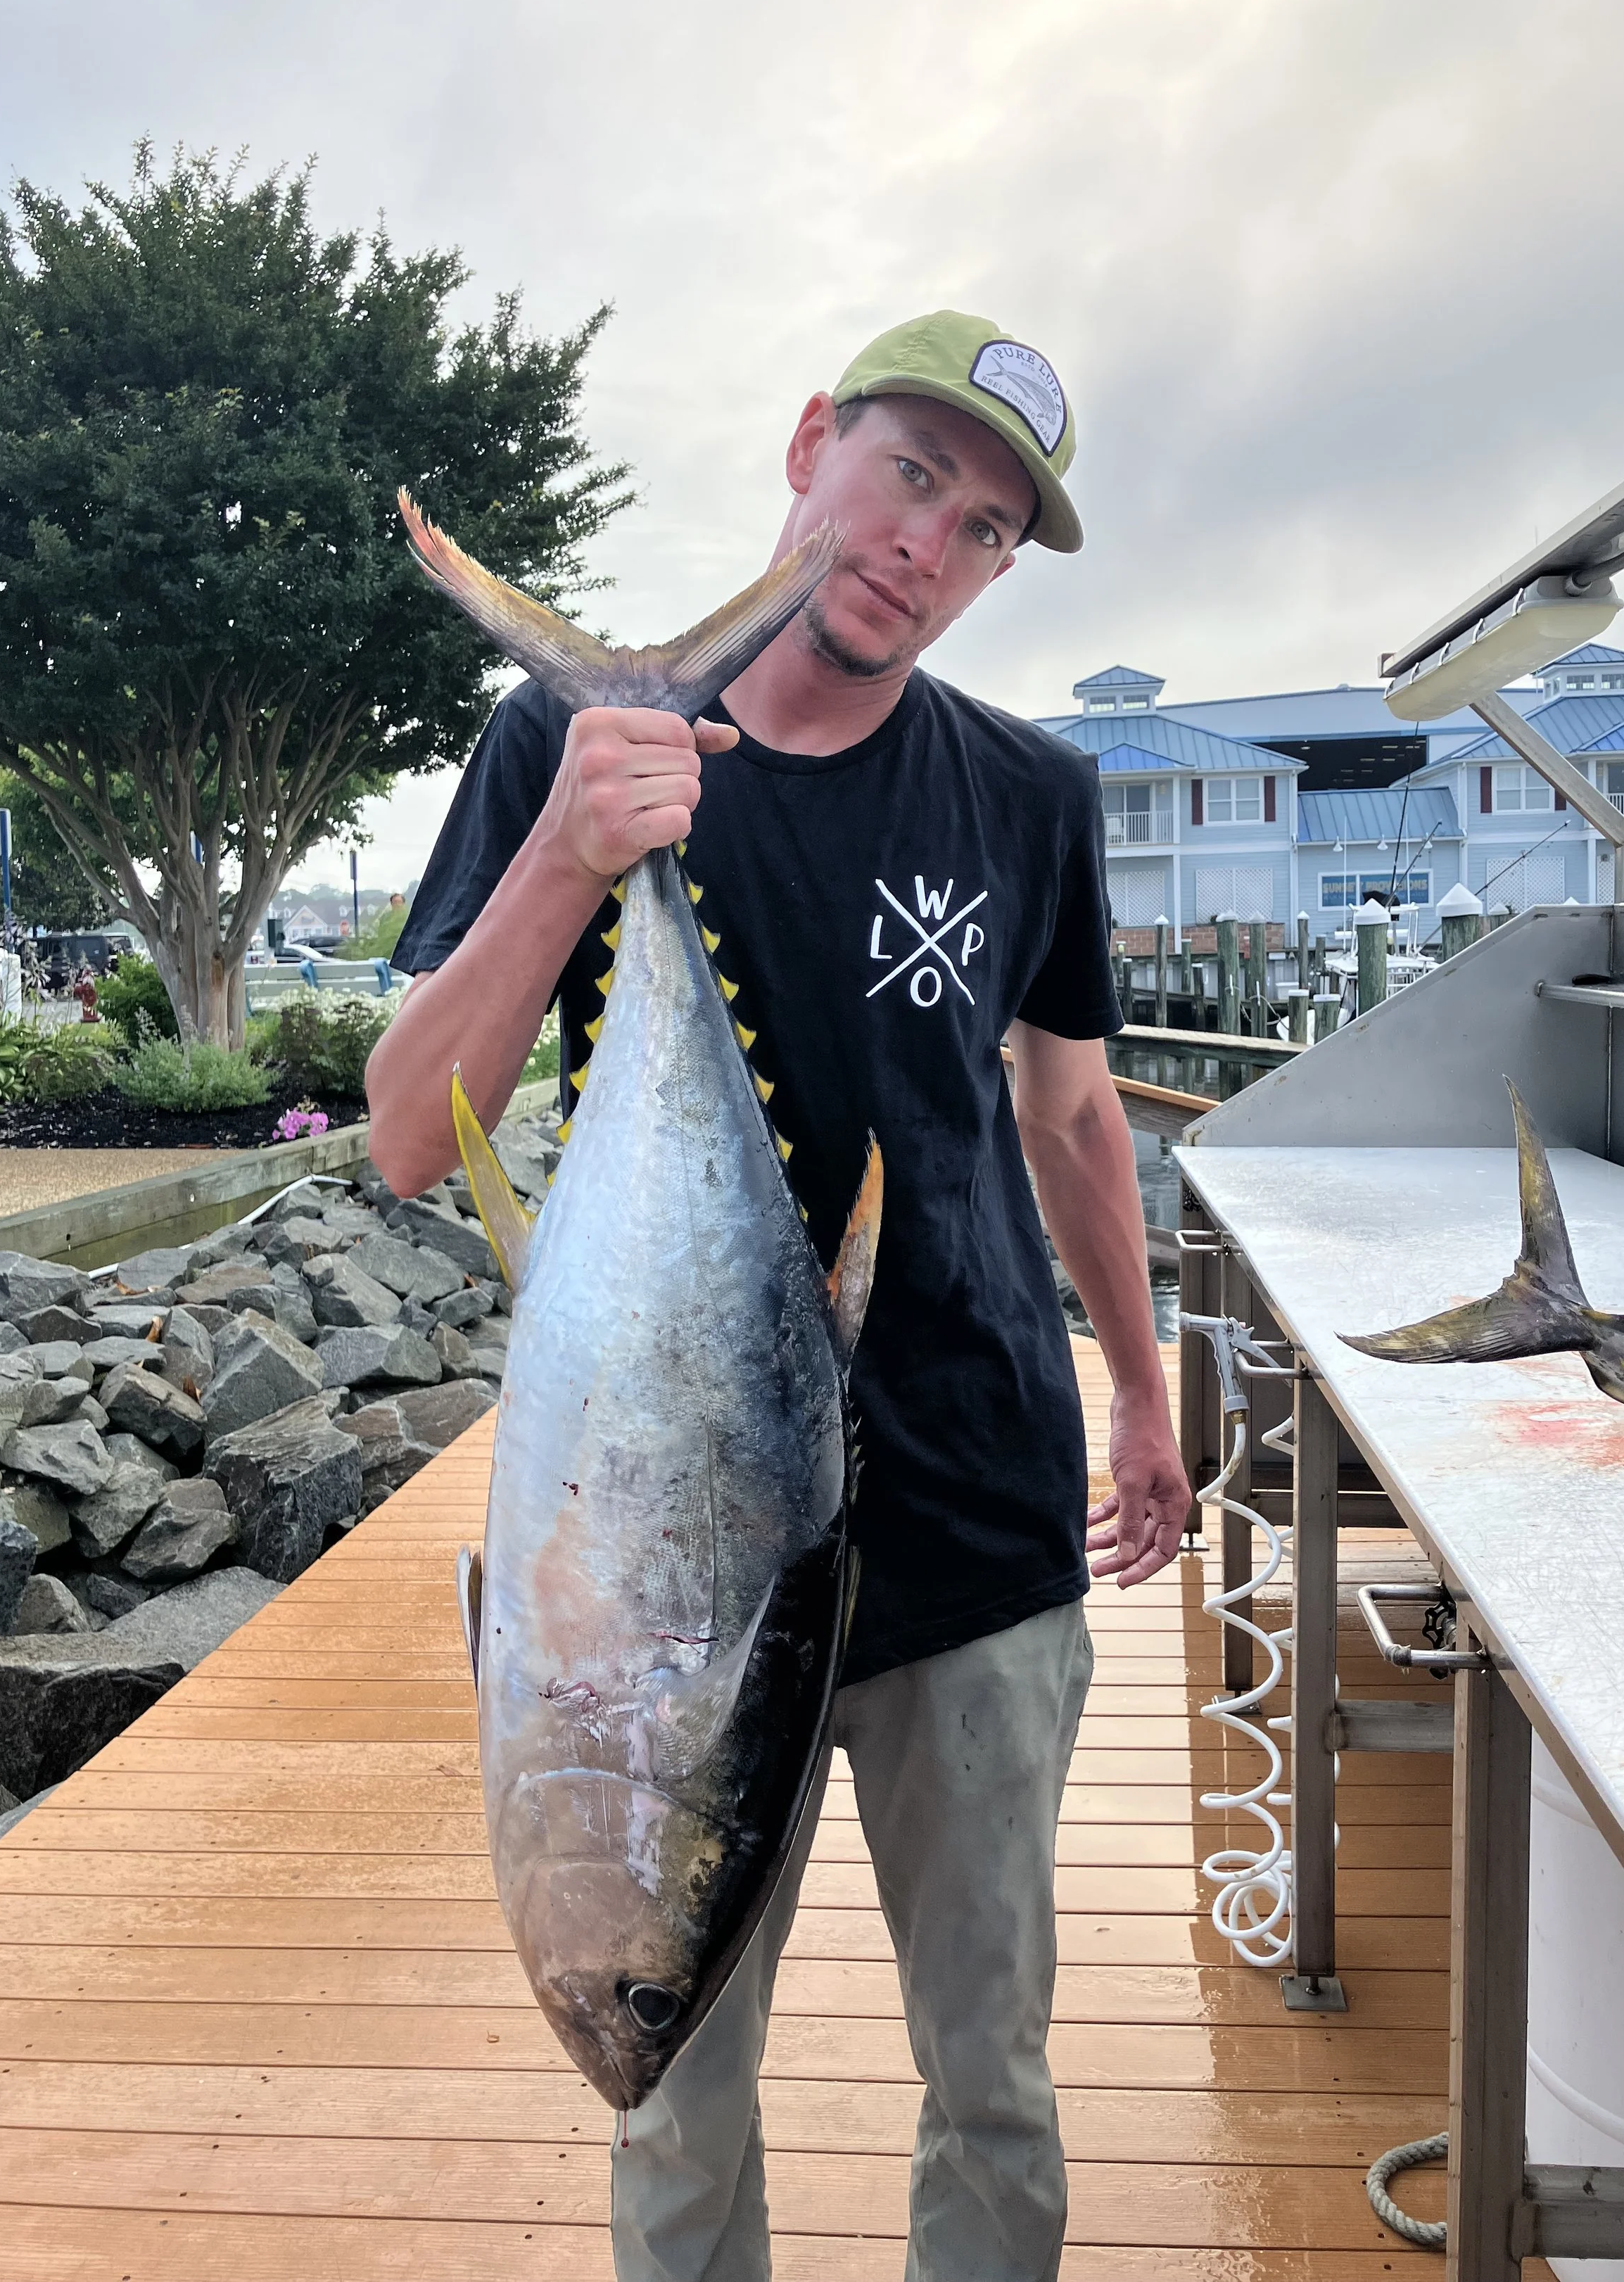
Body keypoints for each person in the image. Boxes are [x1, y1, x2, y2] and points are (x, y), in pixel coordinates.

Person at [367, 310, 1193, 2282]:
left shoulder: (1026, 794)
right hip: (664, 1556)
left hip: (974, 1512)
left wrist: (1148, 1398)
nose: (931, 544)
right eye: (911, 475)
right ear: (811, 444)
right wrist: (574, 847)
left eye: (985, 527)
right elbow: (410, 1132)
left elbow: (1075, 1119)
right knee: (669, 2086)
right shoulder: (553, 753)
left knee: (990, 2072)